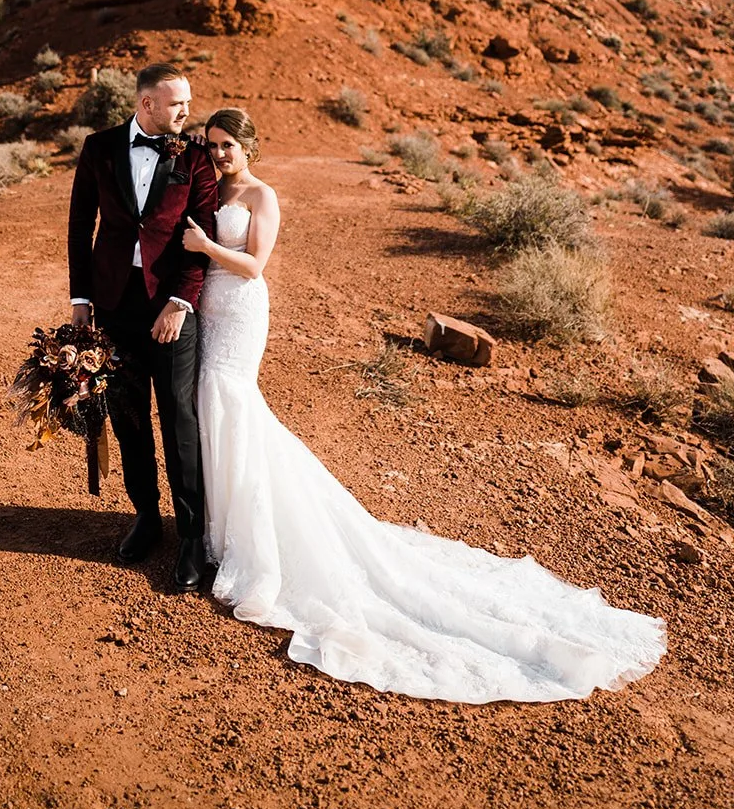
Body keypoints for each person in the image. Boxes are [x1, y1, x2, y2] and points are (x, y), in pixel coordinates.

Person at [182, 107, 667, 703]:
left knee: (234, 402)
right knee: (214, 406)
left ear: (249, 145)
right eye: (212, 145)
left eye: (228, 145)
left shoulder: (262, 194)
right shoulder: (209, 182)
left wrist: (206, 245)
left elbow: (256, 266)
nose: (220, 153)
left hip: (242, 309)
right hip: (211, 310)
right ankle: (220, 528)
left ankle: (248, 538)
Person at [68, 62, 217, 590]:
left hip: (171, 306)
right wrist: (81, 298)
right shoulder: (99, 147)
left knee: (179, 419)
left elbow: (204, 235)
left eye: (187, 102)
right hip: (113, 305)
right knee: (128, 414)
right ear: (146, 103)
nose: (186, 111)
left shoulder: (195, 157)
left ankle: (192, 537)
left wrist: (180, 301)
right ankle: (147, 518)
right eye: (177, 103)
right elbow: (80, 224)